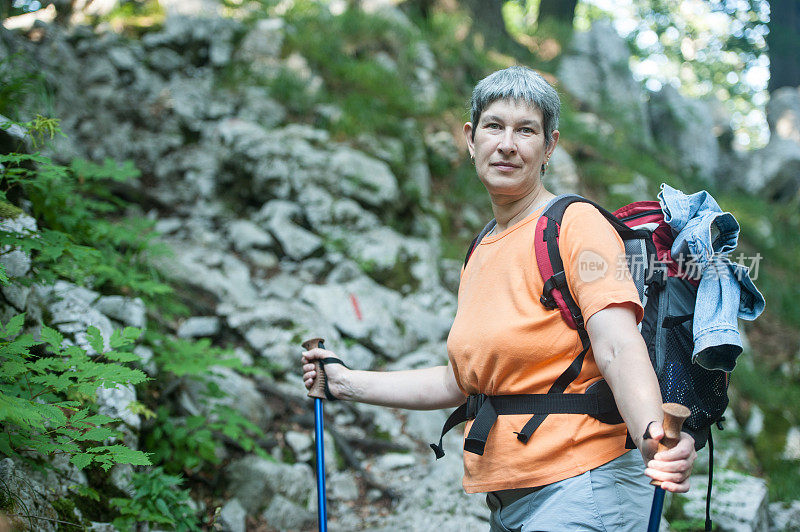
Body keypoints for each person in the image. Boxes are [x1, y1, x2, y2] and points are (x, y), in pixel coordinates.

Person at [301, 66, 696, 531]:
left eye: (526, 130)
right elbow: (462, 381)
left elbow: (616, 344)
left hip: (587, 489)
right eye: (494, 126)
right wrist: (346, 383)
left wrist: (651, 431)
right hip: (511, 503)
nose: (507, 144)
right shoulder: (482, 249)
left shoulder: (577, 224)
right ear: (471, 139)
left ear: (549, 146)